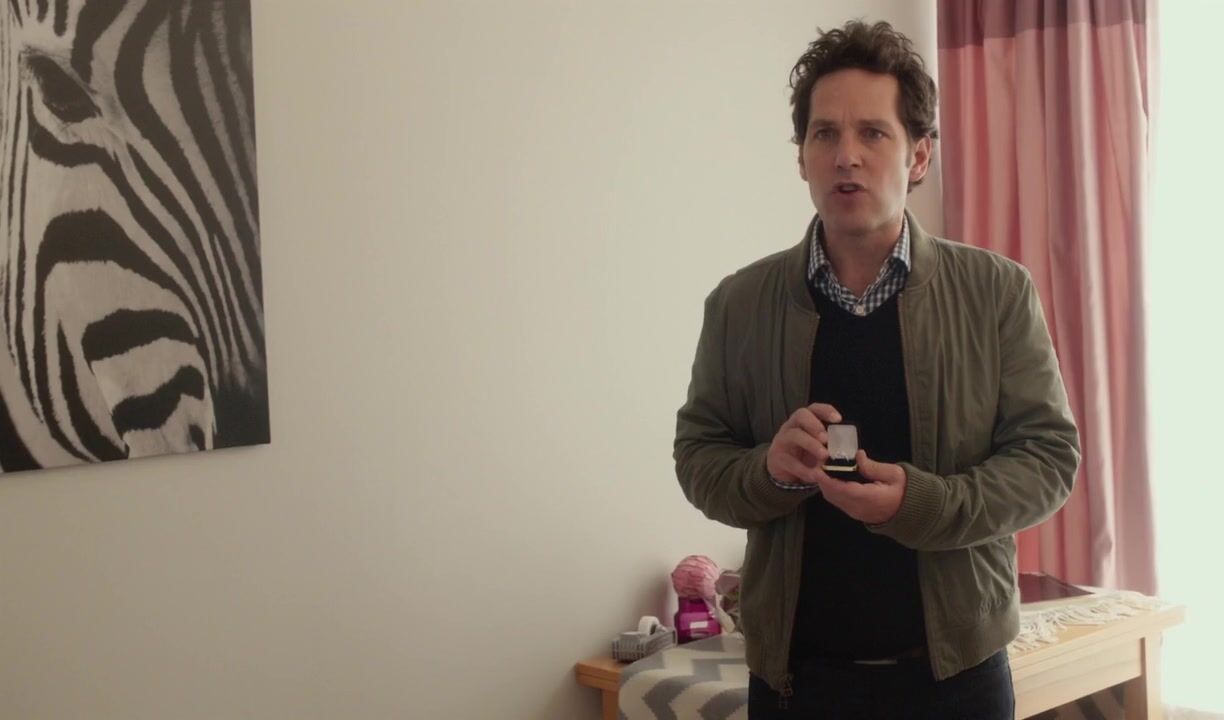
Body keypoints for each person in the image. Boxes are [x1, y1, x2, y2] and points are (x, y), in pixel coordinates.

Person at [673, 20, 1080, 719]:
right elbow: (698, 457)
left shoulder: (996, 292)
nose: (846, 156)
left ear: (919, 155)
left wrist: (920, 505)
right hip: (796, 681)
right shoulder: (738, 304)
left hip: (958, 680)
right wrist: (771, 471)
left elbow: (1048, 460)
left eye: (873, 133)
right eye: (824, 134)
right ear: (801, 157)